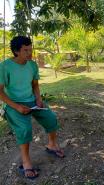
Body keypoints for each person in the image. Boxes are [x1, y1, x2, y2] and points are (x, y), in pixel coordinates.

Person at [0, 36, 64, 179]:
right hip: (13, 103)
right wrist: (17, 107)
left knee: (51, 118)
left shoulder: (32, 65)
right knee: (24, 129)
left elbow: (35, 85)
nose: (30, 53)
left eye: (31, 49)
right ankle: (26, 162)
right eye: (26, 50)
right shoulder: (4, 66)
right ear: (16, 51)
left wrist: (38, 98)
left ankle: (52, 145)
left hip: (32, 100)